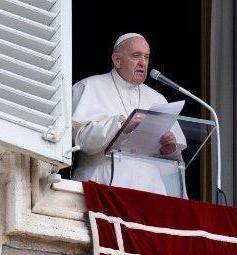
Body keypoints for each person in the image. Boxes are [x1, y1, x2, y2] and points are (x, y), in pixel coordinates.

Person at [71, 33, 186, 195]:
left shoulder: (158, 98)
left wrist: (169, 149)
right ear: (117, 60)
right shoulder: (88, 86)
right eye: (136, 56)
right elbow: (79, 141)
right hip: (102, 184)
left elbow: (174, 166)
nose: (143, 63)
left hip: (151, 191)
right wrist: (121, 126)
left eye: (146, 57)